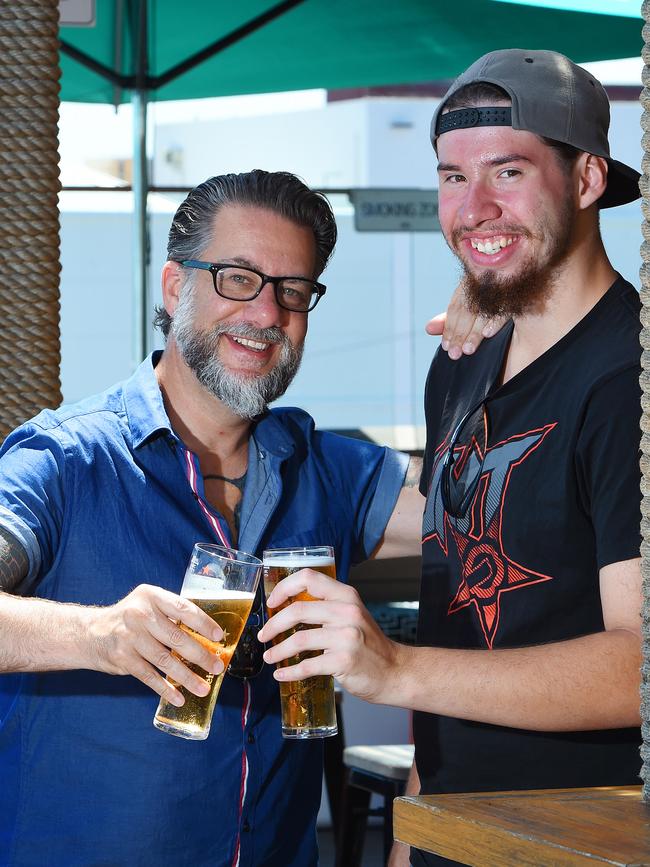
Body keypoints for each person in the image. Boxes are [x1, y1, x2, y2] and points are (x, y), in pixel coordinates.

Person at [0, 169, 491, 867]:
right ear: (175, 288)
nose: (266, 313)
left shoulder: (328, 468)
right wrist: (99, 633)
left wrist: (511, 328)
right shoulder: (66, 458)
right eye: (238, 277)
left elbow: (510, 522)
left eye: (293, 291)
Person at [259, 50, 644, 867]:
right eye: (450, 177)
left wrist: (393, 667)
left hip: (584, 842)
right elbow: (458, 608)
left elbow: (637, 665)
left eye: (508, 170)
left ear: (586, 180)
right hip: (453, 832)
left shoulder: (630, 381)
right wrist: (416, 823)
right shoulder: (462, 361)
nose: (473, 208)